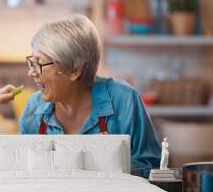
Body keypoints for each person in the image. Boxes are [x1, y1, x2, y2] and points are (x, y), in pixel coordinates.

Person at [19, 14, 161, 177]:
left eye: (39, 63)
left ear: (74, 70)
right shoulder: (33, 109)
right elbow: (25, 175)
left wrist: (94, 168)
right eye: (32, 62)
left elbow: (152, 168)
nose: (31, 72)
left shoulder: (124, 99)